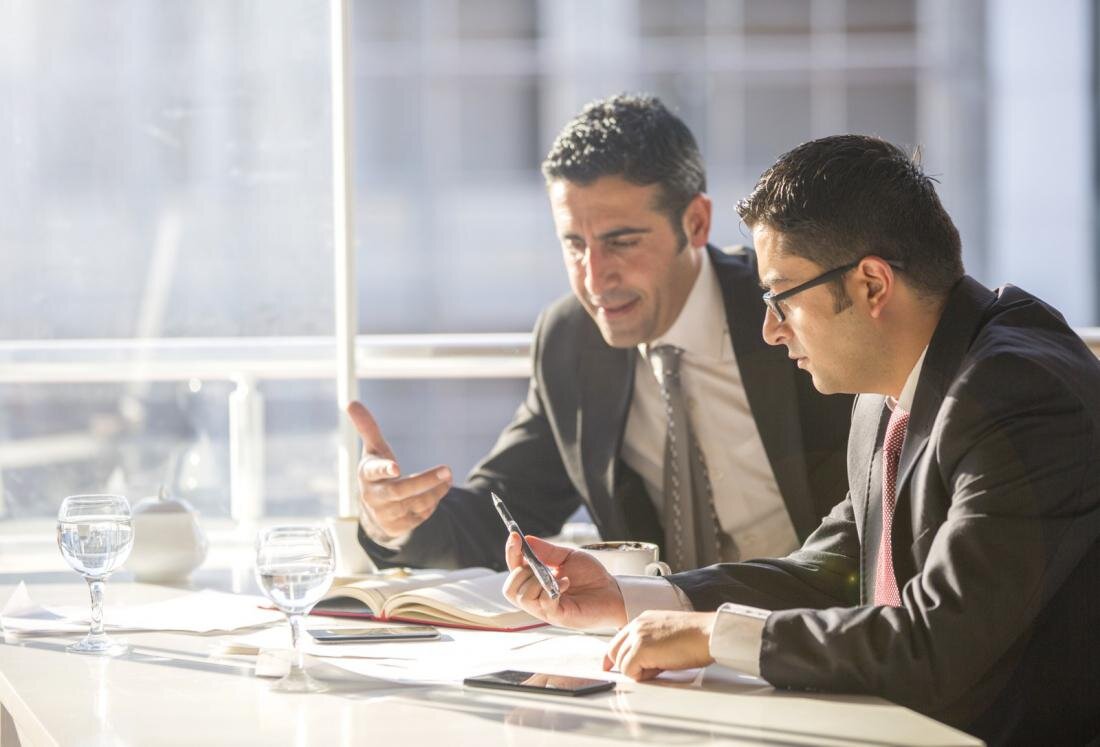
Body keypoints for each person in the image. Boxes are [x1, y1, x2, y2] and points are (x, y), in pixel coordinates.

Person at [502, 134, 1100, 744]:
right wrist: (633, 596)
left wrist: (717, 637)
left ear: (871, 286)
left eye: (782, 296)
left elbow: (937, 643)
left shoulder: (1017, 393)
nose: (769, 329)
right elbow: (826, 572)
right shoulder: (887, 387)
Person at [346, 93, 852, 572]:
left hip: (817, 628)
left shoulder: (796, 314)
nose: (594, 279)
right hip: (659, 646)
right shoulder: (572, 342)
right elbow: (503, 515)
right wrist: (394, 519)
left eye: (622, 242)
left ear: (696, 223)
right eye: (574, 246)